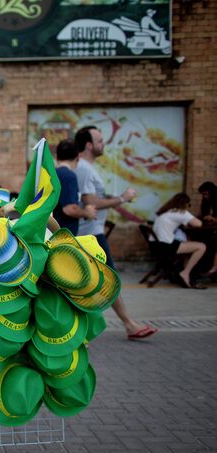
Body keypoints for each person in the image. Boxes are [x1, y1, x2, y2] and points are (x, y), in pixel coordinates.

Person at [74, 126, 158, 341]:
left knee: (95, 281)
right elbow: (89, 202)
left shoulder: (89, 168)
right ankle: (129, 324)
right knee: (108, 280)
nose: (104, 144)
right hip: (90, 234)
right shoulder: (83, 167)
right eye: (100, 140)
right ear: (89, 145)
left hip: (93, 232)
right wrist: (122, 198)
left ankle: (83, 329)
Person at [153, 192, 217, 288]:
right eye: (189, 205)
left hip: (157, 246)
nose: (189, 207)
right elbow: (198, 224)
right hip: (166, 247)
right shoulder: (181, 212)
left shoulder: (166, 211)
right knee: (202, 247)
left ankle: (188, 274)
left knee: (189, 244)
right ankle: (185, 273)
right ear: (185, 204)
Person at [52, 139, 97, 235]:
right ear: (78, 157)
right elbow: (69, 209)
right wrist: (87, 212)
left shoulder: (52, 174)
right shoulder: (69, 176)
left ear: (56, 156)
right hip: (63, 235)